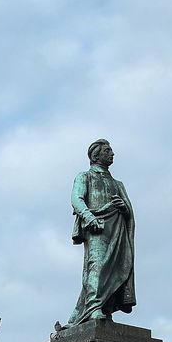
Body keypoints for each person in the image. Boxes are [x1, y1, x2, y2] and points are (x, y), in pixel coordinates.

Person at [65, 137, 136, 328]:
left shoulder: (118, 184)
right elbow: (76, 198)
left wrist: (125, 208)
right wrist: (89, 217)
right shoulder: (85, 177)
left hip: (117, 228)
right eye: (108, 151)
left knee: (115, 268)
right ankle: (94, 306)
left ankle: (103, 307)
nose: (112, 154)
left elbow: (129, 210)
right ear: (96, 155)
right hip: (97, 227)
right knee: (97, 266)